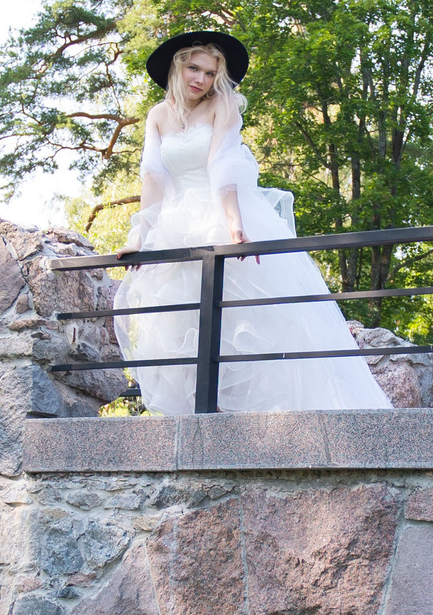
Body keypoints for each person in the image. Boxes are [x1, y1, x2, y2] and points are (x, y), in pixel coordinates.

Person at [113, 31, 391, 415]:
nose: (201, 79)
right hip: (177, 226)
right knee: (182, 329)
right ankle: (206, 424)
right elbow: (153, 179)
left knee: (252, 324)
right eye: (194, 68)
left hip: (221, 214)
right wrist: (139, 236)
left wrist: (234, 224)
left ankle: (285, 423)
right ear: (178, 67)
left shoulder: (221, 107)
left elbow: (223, 166)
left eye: (210, 73)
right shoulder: (158, 116)